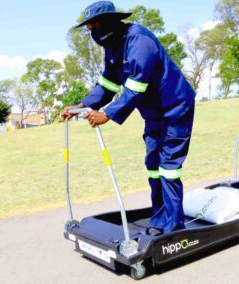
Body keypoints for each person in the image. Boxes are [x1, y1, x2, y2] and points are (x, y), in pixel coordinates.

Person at [62, 1, 196, 235]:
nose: (91, 31)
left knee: (169, 167)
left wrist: (106, 114)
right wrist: (83, 105)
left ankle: (175, 228)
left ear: (109, 22)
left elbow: (136, 86)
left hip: (175, 107)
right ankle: (159, 219)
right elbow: (108, 83)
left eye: (94, 25)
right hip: (153, 113)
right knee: (153, 165)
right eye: (89, 27)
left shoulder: (139, 40)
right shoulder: (112, 46)